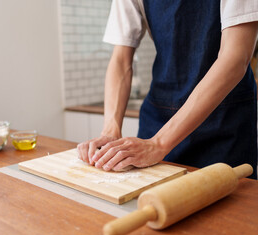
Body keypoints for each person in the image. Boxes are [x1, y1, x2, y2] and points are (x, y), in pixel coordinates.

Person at [77, 0, 258, 179]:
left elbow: (235, 58)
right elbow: (121, 60)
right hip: (159, 118)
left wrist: (159, 143)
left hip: (224, 124)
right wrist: (111, 131)